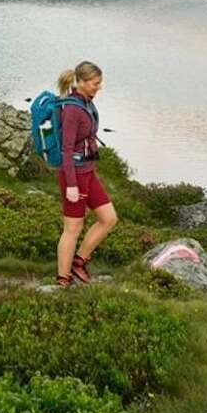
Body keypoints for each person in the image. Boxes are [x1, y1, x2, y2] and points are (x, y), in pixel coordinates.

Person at [55, 60, 119, 287]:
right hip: (73, 176)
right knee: (72, 228)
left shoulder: (87, 103)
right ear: (81, 82)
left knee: (109, 218)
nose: (98, 87)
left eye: (99, 83)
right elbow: (66, 150)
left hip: (88, 172)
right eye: (94, 83)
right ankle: (63, 279)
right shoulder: (72, 109)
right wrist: (71, 185)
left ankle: (79, 261)